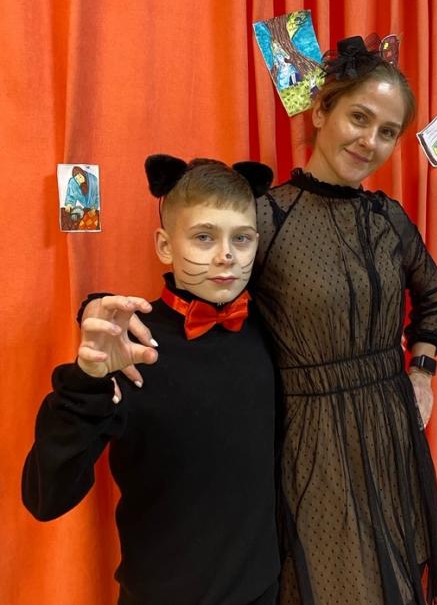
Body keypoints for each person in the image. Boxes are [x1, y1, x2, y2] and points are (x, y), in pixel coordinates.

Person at [82, 35, 437, 604]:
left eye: (387, 131)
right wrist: (96, 309)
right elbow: (195, 291)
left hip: (388, 427)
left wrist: (421, 372)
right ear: (321, 111)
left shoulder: (388, 219)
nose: (369, 141)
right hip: (310, 438)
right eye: (359, 117)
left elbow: (432, 295)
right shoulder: (266, 217)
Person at [23, 157, 280, 605]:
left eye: (241, 238)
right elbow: (46, 497)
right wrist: (87, 381)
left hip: (262, 591)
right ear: (164, 245)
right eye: (204, 237)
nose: (226, 255)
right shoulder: (130, 343)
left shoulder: (271, 328)